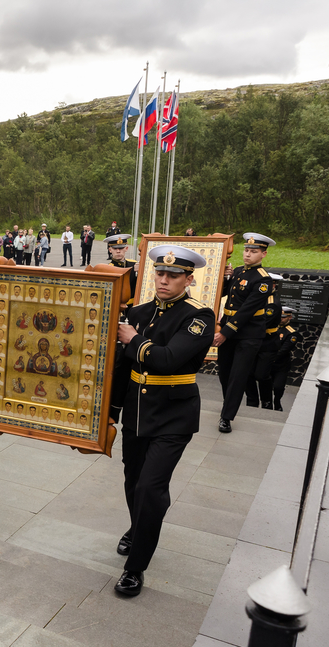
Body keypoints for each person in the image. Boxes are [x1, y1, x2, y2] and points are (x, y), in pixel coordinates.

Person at [109, 245, 214, 597]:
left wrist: (133, 339)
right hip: (137, 413)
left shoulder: (199, 316)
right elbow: (123, 369)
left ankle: (135, 568)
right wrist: (110, 413)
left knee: (150, 488)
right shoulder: (139, 311)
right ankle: (139, 527)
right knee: (132, 481)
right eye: (160, 273)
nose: (165, 280)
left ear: (189, 278)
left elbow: (169, 360)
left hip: (174, 415)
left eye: (173, 275)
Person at [216, 233, 275, 433]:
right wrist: (225, 277)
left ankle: (226, 416)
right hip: (228, 327)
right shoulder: (238, 271)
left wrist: (224, 332)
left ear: (263, 254)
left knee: (238, 376)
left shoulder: (263, 280)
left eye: (254, 251)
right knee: (224, 373)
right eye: (247, 250)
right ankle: (228, 404)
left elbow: (246, 311)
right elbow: (224, 294)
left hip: (248, 334)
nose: (248, 254)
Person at [246, 274, 283, 409]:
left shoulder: (272, 303)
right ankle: (252, 401)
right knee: (247, 373)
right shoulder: (259, 297)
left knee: (261, 375)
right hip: (253, 341)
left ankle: (267, 401)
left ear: (273, 286)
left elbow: (262, 323)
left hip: (267, 344)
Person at [267, 307, 298, 411]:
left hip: (281, 365)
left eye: (283, 317)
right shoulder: (272, 327)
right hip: (268, 363)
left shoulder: (291, 333)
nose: (281, 319)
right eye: (279, 316)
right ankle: (267, 403)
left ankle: (277, 401)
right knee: (266, 385)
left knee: (278, 387)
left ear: (290, 317)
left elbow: (284, 350)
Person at [104, 234, 138, 307]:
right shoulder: (107, 269)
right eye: (115, 249)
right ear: (110, 250)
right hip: (115, 306)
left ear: (126, 248)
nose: (118, 251)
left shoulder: (134, 264)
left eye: (121, 248)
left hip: (133, 305)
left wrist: (139, 272)